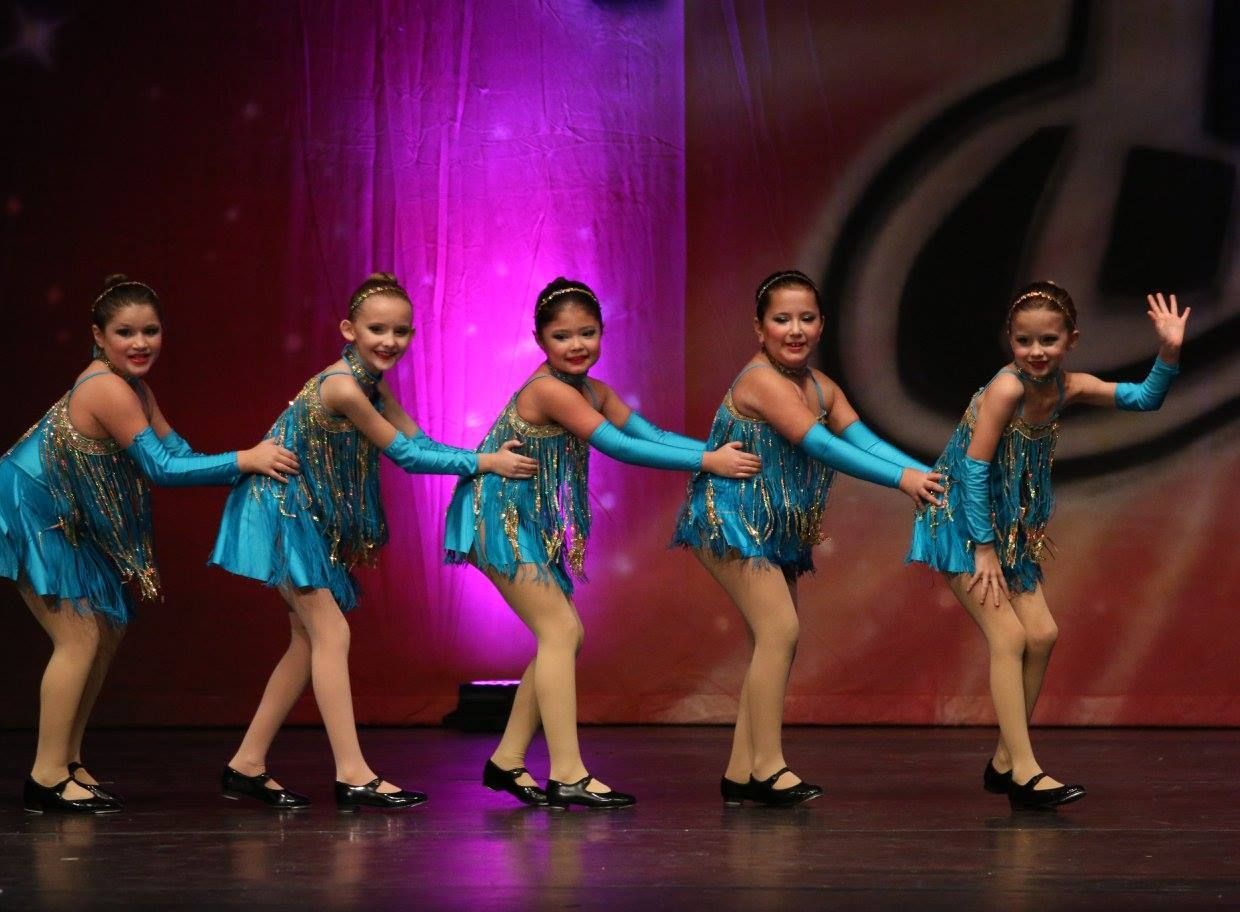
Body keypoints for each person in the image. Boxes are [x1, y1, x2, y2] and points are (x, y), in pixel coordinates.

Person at [0, 275, 298, 814]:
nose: (141, 343)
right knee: (78, 637)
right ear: (99, 336)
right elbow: (162, 469)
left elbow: (176, 450)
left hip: (65, 516)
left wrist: (247, 463)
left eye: (151, 331)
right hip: (32, 510)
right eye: (125, 332)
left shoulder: (136, 388)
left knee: (105, 631)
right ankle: (45, 776)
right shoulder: (106, 388)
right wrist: (244, 459)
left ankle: (68, 762)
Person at [211, 273, 537, 811]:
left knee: (307, 641)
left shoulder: (371, 384)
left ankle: (246, 764)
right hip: (280, 510)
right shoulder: (343, 386)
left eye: (402, 331)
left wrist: (485, 454)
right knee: (331, 634)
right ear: (349, 330)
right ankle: (353, 774)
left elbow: (419, 441)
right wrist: (488, 462)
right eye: (377, 329)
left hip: (303, 515)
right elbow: (406, 459)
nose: (390, 341)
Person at [445, 277, 763, 810]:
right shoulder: (548, 389)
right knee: (562, 630)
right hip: (493, 515)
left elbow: (649, 435)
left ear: (601, 333)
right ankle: (567, 773)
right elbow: (617, 445)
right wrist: (709, 463)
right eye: (562, 336)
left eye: (587, 333)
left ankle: (506, 760)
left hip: (524, 518)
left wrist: (713, 450)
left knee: (561, 636)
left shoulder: (594, 391)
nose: (576, 345)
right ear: (540, 341)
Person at [908, 283, 1188, 809]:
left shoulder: (1068, 387)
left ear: (1071, 340)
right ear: (1010, 342)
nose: (1036, 351)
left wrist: (1169, 351)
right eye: (1024, 340)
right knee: (1009, 638)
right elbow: (973, 467)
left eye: (1049, 340)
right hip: (960, 521)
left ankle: (1003, 761)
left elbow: (1145, 398)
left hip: (1005, 531)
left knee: (1043, 633)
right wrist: (984, 550)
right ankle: (1025, 770)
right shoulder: (1007, 390)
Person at [673, 269, 945, 807]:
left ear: (821, 325)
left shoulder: (821, 386)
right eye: (781, 319)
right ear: (759, 328)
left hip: (776, 527)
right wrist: (902, 481)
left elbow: (863, 440)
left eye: (805, 318)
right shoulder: (761, 382)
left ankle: (739, 771)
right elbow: (820, 446)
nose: (794, 329)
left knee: (770, 641)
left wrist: (926, 474)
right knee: (780, 631)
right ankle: (768, 769)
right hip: (729, 519)